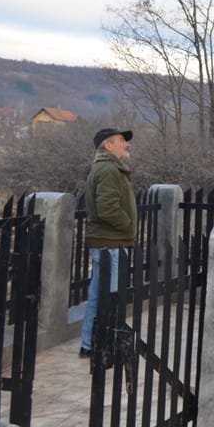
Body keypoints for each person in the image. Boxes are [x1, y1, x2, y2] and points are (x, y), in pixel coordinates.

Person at [79, 127, 137, 358]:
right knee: (110, 298)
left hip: (106, 242)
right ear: (108, 145)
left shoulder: (107, 168)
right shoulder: (109, 169)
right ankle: (105, 345)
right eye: (122, 141)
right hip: (109, 244)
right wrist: (129, 226)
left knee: (98, 296)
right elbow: (107, 209)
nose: (127, 144)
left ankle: (89, 344)